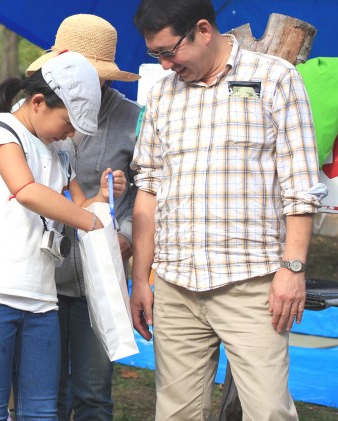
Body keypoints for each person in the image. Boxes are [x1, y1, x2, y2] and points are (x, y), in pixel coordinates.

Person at [129, 1, 328, 420]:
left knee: (268, 412)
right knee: (175, 414)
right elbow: (147, 188)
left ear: (203, 29)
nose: (164, 65)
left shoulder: (275, 78)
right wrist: (141, 280)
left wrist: (292, 268)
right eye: (155, 56)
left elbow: (300, 188)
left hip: (251, 284)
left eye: (169, 51)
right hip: (175, 283)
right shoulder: (162, 94)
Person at [0, 51, 127, 420]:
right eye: (68, 121)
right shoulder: (1, 129)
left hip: (42, 299)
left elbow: (82, 204)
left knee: (42, 411)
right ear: (38, 103)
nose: (71, 133)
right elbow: (26, 190)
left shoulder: (61, 148)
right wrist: (87, 220)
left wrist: (104, 199)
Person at [24, 14, 141, 421]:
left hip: (102, 273)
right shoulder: (31, 114)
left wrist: (125, 236)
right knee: (43, 389)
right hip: (43, 270)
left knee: (93, 391)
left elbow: (148, 189)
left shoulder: (133, 118)